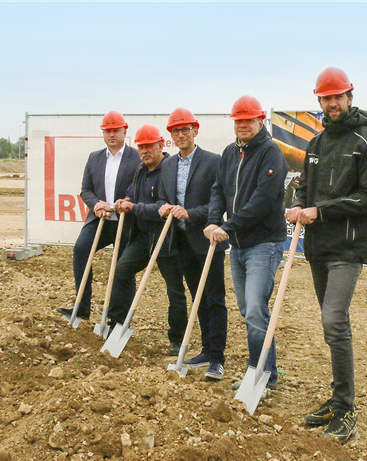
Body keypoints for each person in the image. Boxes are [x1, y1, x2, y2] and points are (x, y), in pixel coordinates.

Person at [285, 67, 367, 443]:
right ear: (320, 101)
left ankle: (346, 410)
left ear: (349, 97)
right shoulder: (316, 143)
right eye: (326, 98)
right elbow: (304, 186)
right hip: (318, 247)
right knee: (333, 326)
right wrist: (299, 204)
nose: (332, 103)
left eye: (337, 96)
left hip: (348, 246)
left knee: (333, 321)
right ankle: (338, 397)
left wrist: (320, 211)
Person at [204, 95, 288, 391]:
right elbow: (218, 189)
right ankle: (266, 373)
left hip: (264, 244)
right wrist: (214, 221)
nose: (242, 125)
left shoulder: (271, 153)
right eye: (238, 120)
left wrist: (228, 226)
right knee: (249, 309)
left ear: (260, 121)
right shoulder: (230, 153)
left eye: (248, 120)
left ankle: (258, 375)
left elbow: (263, 200)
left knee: (254, 309)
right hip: (238, 245)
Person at [157, 108, 228, 380]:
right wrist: (164, 207)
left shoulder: (213, 162)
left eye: (185, 129)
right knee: (198, 298)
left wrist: (191, 213)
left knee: (214, 299)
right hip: (183, 242)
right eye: (175, 130)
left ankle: (217, 358)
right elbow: (163, 196)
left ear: (195, 130)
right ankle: (207, 350)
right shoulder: (167, 165)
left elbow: (218, 203)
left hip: (208, 240)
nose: (180, 134)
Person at [106, 124, 186, 353]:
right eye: (141, 147)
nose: (144, 151)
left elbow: (162, 206)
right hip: (143, 237)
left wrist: (134, 207)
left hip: (167, 238)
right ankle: (117, 324)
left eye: (149, 146)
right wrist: (125, 200)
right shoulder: (141, 169)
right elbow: (132, 194)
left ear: (161, 145)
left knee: (174, 290)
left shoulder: (169, 170)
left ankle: (177, 338)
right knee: (121, 271)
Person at [57, 111, 140, 321]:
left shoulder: (136, 158)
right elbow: (86, 190)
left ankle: (118, 319)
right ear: (103, 133)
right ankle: (82, 306)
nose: (112, 134)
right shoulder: (94, 158)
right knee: (81, 250)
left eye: (116, 130)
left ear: (124, 131)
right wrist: (96, 204)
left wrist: (119, 204)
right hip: (100, 220)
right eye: (107, 131)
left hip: (126, 222)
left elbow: (138, 190)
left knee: (123, 268)